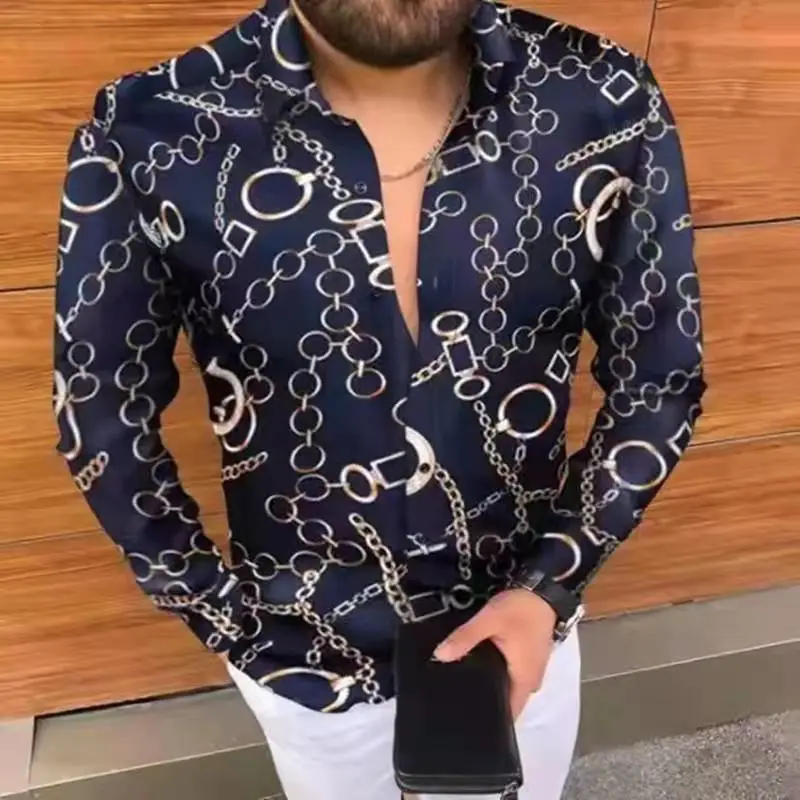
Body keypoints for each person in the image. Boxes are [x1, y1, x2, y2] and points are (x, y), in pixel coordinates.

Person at [52, 0, 706, 797]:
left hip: (525, 633)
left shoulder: (603, 99)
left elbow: (659, 377)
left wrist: (550, 585)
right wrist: (231, 622)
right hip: (302, 658)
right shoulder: (148, 127)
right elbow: (100, 413)